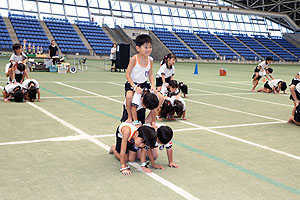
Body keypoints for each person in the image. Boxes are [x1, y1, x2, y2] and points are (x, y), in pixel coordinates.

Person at [124, 34, 156, 123]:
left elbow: (151, 74)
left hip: (144, 84)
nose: (148, 50)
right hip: (132, 84)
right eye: (146, 47)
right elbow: (127, 74)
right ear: (138, 48)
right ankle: (130, 117)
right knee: (129, 96)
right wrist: (134, 87)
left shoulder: (150, 60)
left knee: (159, 97)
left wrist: (153, 85)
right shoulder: (134, 59)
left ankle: (151, 119)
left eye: (150, 47)